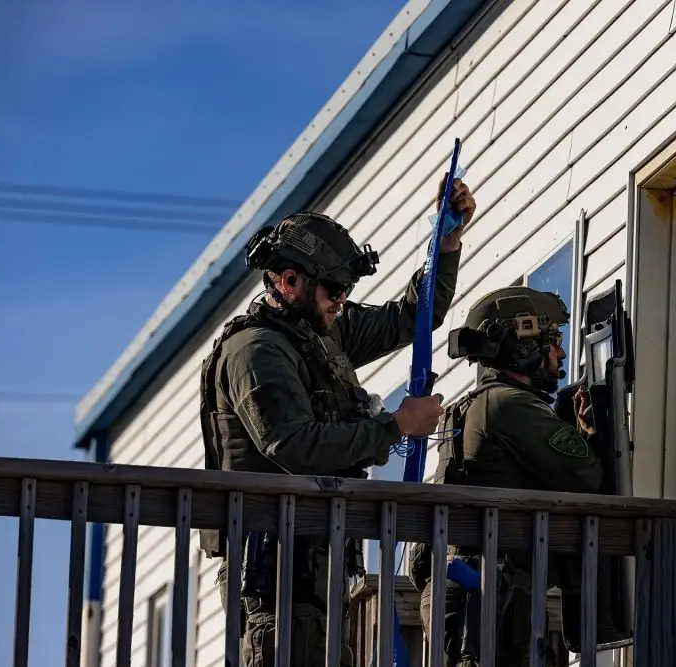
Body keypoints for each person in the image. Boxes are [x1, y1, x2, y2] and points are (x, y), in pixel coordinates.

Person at [198, 175, 477, 666]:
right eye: (334, 289)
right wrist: (395, 426)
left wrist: (446, 241)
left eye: (346, 290)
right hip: (273, 573)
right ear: (289, 282)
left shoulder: (320, 330)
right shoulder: (257, 350)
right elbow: (293, 445)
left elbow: (411, 317)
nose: (341, 300)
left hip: (313, 565)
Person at [409, 285, 602, 667]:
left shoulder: (473, 406)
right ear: (523, 346)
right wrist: (590, 433)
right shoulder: (510, 405)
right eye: (552, 341)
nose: (560, 353)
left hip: (470, 591)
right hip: (489, 598)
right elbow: (588, 477)